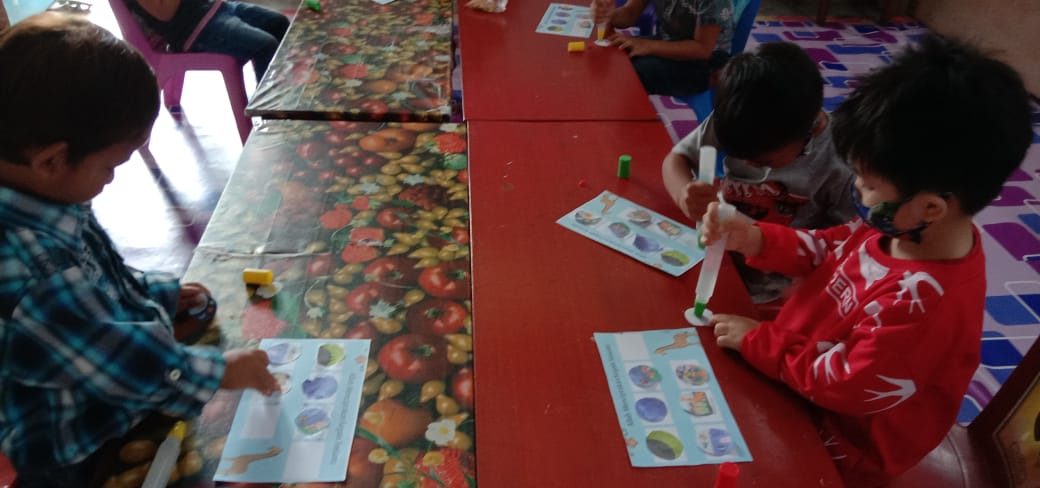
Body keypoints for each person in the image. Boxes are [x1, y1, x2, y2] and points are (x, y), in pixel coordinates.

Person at [699, 34, 1033, 487]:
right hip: (795, 374)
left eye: (869, 183)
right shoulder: (897, 226)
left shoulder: (928, 305)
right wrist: (756, 238)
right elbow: (829, 248)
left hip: (839, 446)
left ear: (931, 207)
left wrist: (762, 343)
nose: (856, 187)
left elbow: (845, 383)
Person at [0, 13, 279, 487]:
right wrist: (219, 372)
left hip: (113, 393)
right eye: (110, 166)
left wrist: (157, 292)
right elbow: (116, 361)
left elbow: (100, 278)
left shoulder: (49, 195)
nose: (111, 180)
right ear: (51, 160)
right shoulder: (31, 272)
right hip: (77, 449)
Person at [662, 41, 856, 304]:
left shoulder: (841, 162)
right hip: (715, 254)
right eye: (737, 154)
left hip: (776, 287)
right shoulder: (740, 118)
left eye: (762, 160)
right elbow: (675, 160)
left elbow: (848, 247)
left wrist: (809, 285)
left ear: (807, 132)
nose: (748, 164)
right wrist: (683, 194)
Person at [590, 0, 734, 97]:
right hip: (669, 40)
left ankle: (630, 128)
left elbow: (703, 49)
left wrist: (646, 45)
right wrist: (609, 15)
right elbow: (630, 13)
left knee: (633, 74)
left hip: (707, 63)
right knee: (615, 54)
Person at [127, 0, 289, 82]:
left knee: (279, 23)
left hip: (215, 8)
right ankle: (272, 115)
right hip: (194, 29)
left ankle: (288, 97)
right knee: (265, 46)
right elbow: (165, 13)